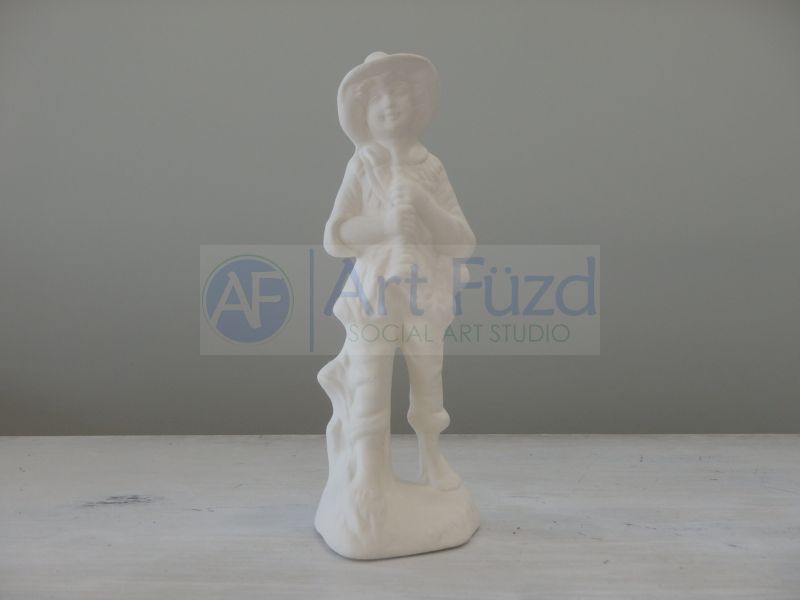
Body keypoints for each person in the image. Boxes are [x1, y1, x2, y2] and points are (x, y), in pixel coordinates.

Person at [318, 52, 476, 512]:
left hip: (424, 291)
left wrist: (425, 207)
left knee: (428, 378)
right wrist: (384, 226)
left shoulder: (431, 168)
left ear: (418, 103)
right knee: (369, 379)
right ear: (363, 112)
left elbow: (462, 242)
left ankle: (431, 459)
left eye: (400, 93)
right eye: (378, 98)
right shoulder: (363, 166)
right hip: (374, 293)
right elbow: (336, 236)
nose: (390, 104)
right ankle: (369, 471)